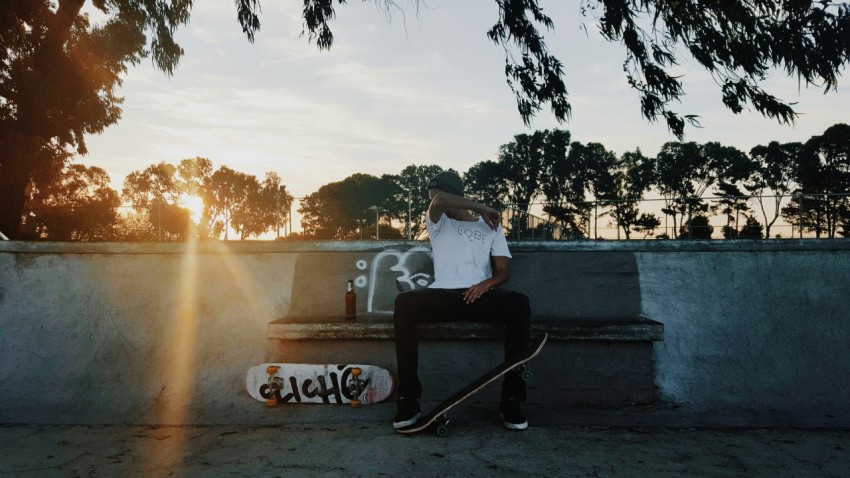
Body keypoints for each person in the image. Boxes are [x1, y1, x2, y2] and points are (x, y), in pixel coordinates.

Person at [392, 171, 532, 431]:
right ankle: (408, 399)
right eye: (433, 198)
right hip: (443, 295)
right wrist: (483, 207)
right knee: (405, 304)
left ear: (459, 196)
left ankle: (511, 400)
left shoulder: (490, 226)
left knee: (519, 304)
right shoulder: (438, 221)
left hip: (479, 297)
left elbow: (503, 272)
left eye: (437, 195)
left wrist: (485, 284)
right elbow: (442, 200)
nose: (435, 202)